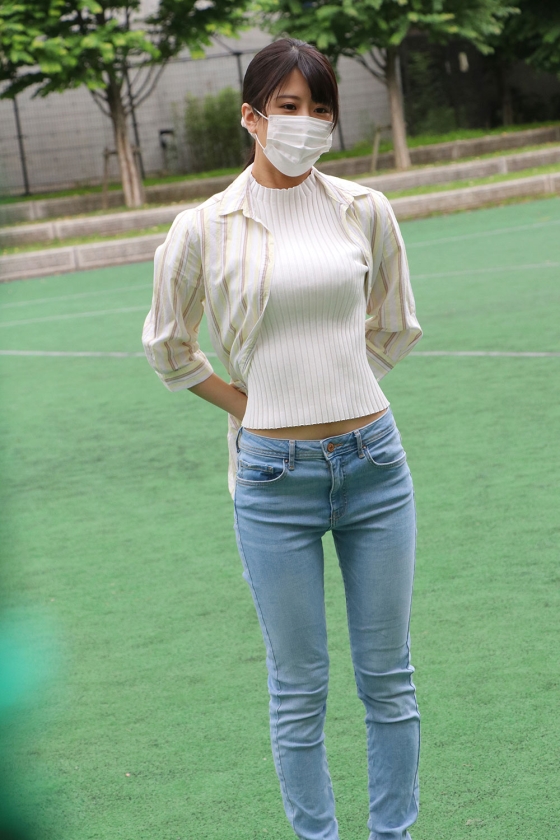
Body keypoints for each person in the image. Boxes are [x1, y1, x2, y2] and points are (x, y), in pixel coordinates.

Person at [143, 37, 422, 840]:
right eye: (289, 107)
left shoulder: (364, 209)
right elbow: (169, 347)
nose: (306, 122)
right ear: (252, 117)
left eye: (320, 108)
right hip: (271, 478)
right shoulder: (203, 227)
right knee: (299, 688)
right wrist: (252, 407)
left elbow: (395, 325)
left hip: (375, 464)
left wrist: (342, 382)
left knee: (389, 680)